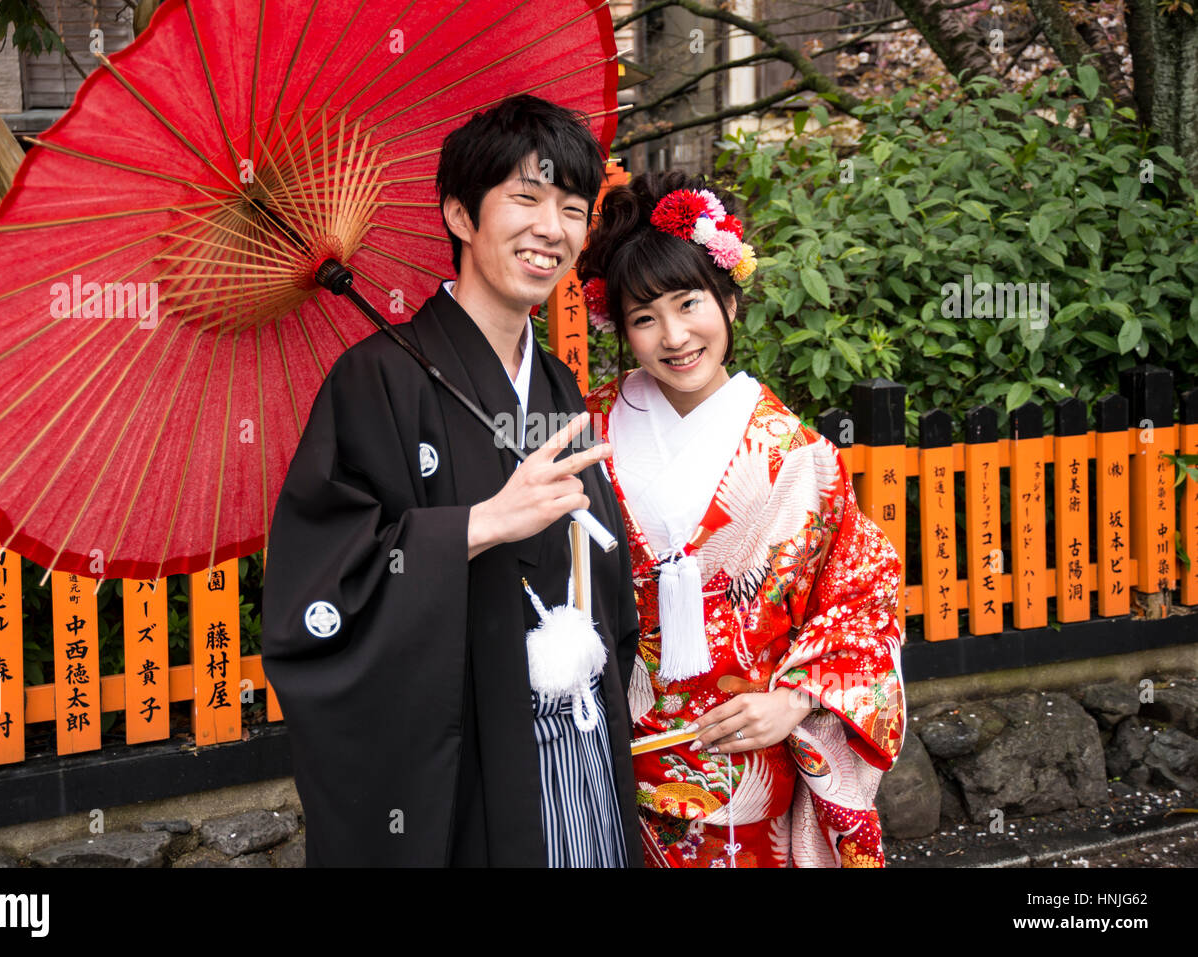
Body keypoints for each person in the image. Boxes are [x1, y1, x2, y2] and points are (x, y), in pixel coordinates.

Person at [261, 95, 643, 867]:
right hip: (464, 772)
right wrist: (476, 526)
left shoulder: (560, 387)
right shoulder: (375, 381)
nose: (553, 230)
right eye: (526, 199)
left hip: (582, 747)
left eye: (573, 208)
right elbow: (317, 593)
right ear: (461, 216)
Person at [575, 170, 906, 867]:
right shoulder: (586, 433)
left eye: (688, 302)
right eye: (643, 317)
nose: (673, 335)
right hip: (607, 759)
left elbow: (864, 601)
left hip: (750, 768)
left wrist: (795, 701)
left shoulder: (799, 457)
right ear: (620, 328)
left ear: (728, 295)